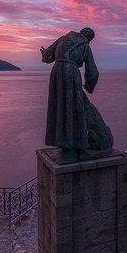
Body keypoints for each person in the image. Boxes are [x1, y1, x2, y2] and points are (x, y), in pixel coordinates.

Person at [41, 27, 113, 161]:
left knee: (59, 107)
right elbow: (93, 71)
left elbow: (48, 55)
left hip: (56, 73)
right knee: (73, 108)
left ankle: (63, 143)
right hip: (71, 74)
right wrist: (89, 85)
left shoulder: (63, 38)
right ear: (89, 38)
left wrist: (44, 54)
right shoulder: (85, 46)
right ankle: (71, 147)